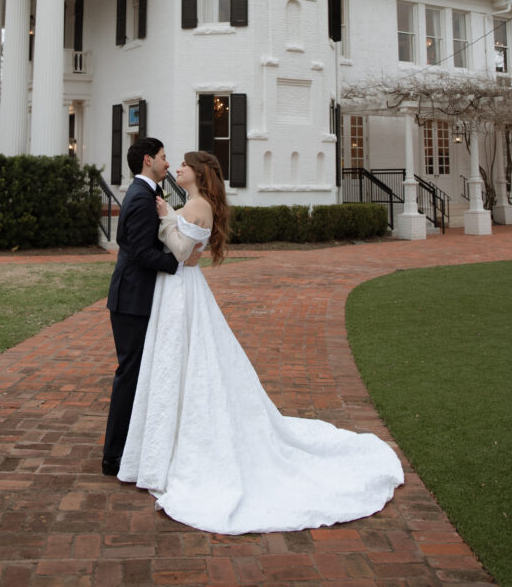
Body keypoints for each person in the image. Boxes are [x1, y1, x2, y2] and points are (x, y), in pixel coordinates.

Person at [117, 150, 404, 535]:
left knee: (187, 361)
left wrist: (167, 217)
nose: (178, 168)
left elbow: (184, 255)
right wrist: (171, 214)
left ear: (198, 173)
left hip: (182, 290)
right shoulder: (193, 203)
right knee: (175, 362)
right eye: (176, 162)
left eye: (183, 165)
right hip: (176, 292)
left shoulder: (196, 206)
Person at [102, 137, 199, 476]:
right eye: (163, 157)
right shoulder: (142, 197)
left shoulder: (145, 194)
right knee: (129, 376)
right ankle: (113, 456)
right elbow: (137, 250)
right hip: (132, 300)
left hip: (135, 297)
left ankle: (128, 448)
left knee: (136, 374)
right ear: (148, 160)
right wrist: (177, 263)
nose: (168, 163)